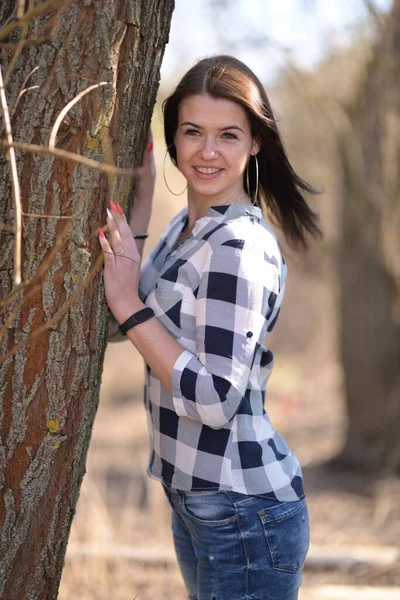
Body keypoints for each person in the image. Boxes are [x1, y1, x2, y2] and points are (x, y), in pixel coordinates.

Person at [98, 55, 322, 600]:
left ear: (255, 144)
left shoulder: (236, 249)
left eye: (228, 135)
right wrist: (145, 196)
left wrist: (129, 303)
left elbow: (217, 399)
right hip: (200, 500)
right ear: (173, 137)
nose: (208, 151)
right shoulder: (189, 226)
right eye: (192, 132)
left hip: (244, 509)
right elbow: (118, 322)